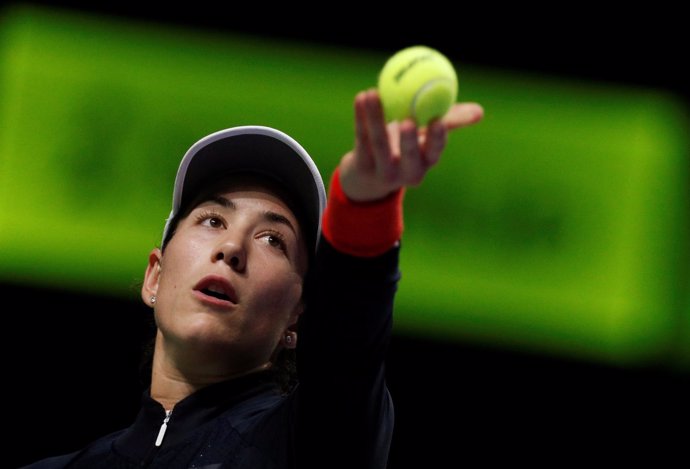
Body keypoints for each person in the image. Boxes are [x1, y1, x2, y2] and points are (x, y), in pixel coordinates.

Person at [20, 88, 483, 469]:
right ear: (154, 276)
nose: (232, 248)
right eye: (212, 221)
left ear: (297, 320)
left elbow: (348, 347)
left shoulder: (308, 447)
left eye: (272, 240)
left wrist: (365, 204)